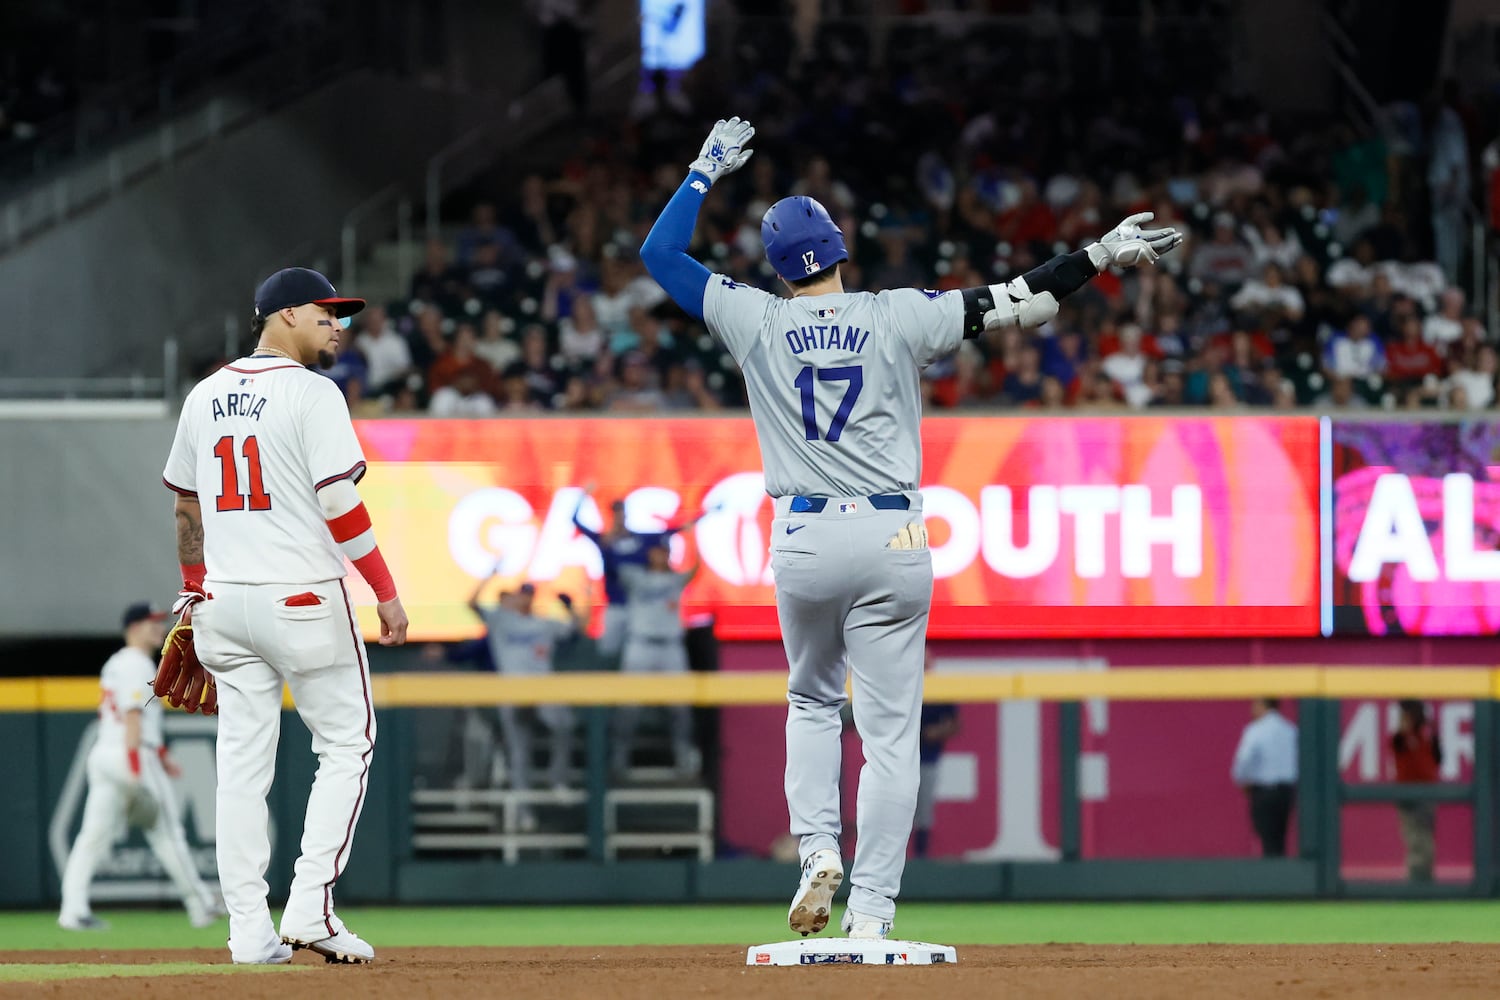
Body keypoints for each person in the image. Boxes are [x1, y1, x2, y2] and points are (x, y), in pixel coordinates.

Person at [639, 116, 1180, 939]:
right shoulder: (896, 314)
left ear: (780, 267)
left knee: (812, 700)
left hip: (806, 538)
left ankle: (817, 847)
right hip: (893, 536)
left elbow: (658, 256)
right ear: (839, 249)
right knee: (891, 733)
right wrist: (1100, 255)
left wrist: (707, 167)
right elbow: (1020, 302)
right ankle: (874, 915)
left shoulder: (754, 318)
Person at [160, 266, 409, 965]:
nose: (340, 325)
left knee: (241, 767)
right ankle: (309, 910)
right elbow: (339, 502)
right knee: (346, 744)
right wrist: (385, 592)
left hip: (224, 602)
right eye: (328, 313)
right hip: (300, 595)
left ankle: (247, 933)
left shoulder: (205, 393)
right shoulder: (312, 392)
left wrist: (192, 587)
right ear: (287, 314)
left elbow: (186, 505)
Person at [58, 602, 223, 931]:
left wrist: (161, 756)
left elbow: (132, 717)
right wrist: (137, 766)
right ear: (134, 627)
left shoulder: (115, 663)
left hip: (105, 754)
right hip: (130, 754)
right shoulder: (136, 663)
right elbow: (133, 715)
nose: (158, 628)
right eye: (151, 623)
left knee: (91, 839)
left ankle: (72, 911)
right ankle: (201, 905)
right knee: (168, 834)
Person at [467, 571, 587, 817]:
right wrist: (489, 574)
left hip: (542, 688)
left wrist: (571, 607)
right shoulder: (501, 619)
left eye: (529, 594)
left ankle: (558, 781)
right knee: (519, 751)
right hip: (513, 689)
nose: (526, 598)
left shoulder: (544, 622)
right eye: (523, 594)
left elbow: (579, 628)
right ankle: (524, 809)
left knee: (565, 726)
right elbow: (471, 603)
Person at [571, 483, 701, 662]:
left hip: (639, 606)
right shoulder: (605, 541)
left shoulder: (640, 539)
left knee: (642, 648)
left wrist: (698, 519)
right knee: (607, 650)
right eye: (615, 513)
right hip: (616, 604)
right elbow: (576, 521)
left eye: (622, 513)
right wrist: (582, 496)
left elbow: (672, 530)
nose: (619, 517)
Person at [612, 542, 700, 776]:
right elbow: (614, 562)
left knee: (680, 707)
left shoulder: (674, 579)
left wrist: (693, 535)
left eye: (664, 551)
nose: (660, 555)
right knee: (628, 707)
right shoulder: (636, 576)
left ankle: (684, 758)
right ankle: (619, 759)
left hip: (670, 647)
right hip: (640, 644)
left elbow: (695, 568)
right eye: (656, 550)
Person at [1230, 698, 1299, 857]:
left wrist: (1242, 780)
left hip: (1264, 792)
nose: (1252, 709)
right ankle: (1280, 874)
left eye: (1255, 704)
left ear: (1263, 705)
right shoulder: (1290, 730)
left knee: (1266, 836)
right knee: (1280, 837)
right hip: (1286, 792)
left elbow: (1244, 759)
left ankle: (1272, 875)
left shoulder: (1256, 730)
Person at [912, 650, 959, 859]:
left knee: (923, 811)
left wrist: (935, 732)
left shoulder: (939, 688)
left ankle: (921, 857)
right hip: (898, 758)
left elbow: (954, 724)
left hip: (927, 757)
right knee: (896, 811)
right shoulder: (904, 686)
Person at [1392, 699, 1442, 882]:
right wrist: (1407, 723)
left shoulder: (1426, 737)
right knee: (1413, 835)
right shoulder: (1400, 738)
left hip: (1427, 793)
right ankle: (1416, 875)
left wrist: (1430, 728)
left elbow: (1438, 758)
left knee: (1425, 834)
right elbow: (1399, 741)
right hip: (1407, 794)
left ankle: (1424, 875)